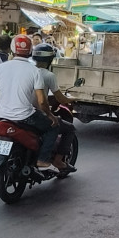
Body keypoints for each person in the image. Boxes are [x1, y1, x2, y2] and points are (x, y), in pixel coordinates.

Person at [0, 33, 61, 173]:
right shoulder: (34, 71)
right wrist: (50, 116)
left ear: (13, 49)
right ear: (30, 51)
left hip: (3, 116)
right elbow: (42, 101)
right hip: (25, 116)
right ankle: (43, 160)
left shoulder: (2, 67)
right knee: (53, 127)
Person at [31, 42, 77, 173]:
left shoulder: (28, 71)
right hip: (36, 114)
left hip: (19, 112)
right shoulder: (49, 75)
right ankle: (55, 160)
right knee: (66, 127)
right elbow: (59, 98)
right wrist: (73, 99)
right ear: (50, 59)